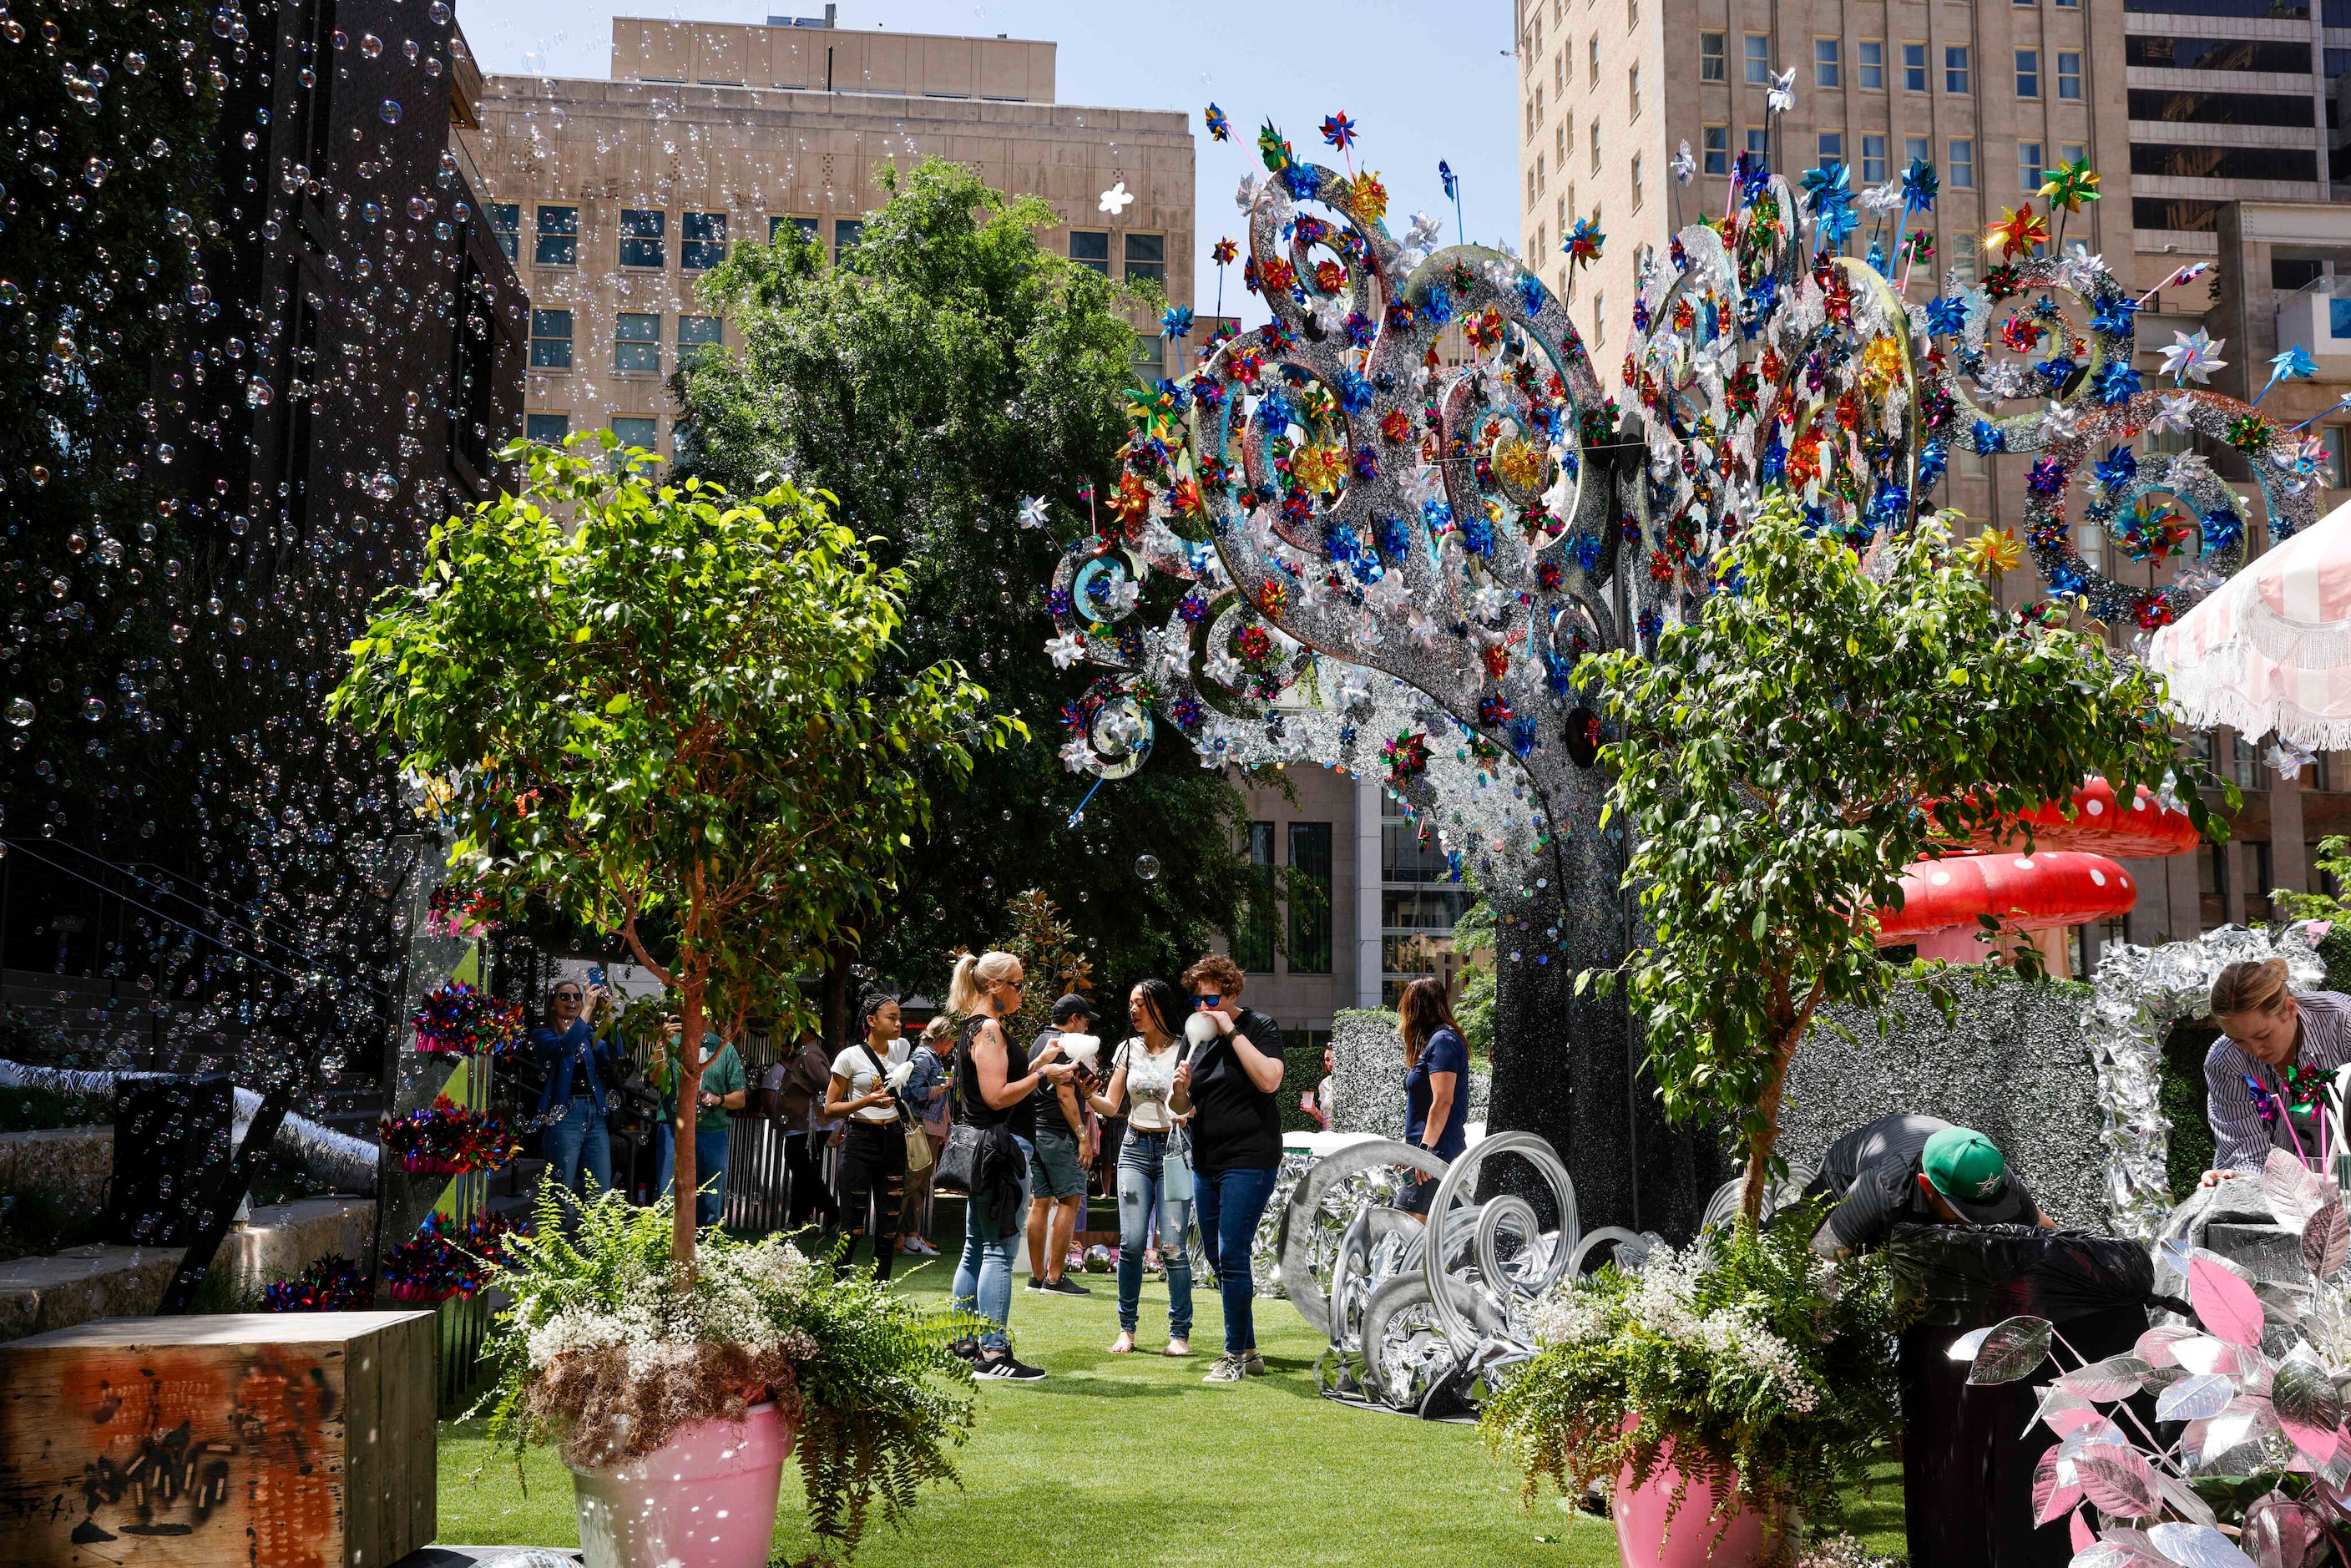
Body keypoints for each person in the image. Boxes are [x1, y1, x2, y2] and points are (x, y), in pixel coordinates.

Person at [946, 948, 1076, 1381]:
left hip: (982, 1147)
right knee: (1000, 1250)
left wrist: (1037, 1064)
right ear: (994, 986)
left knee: (975, 1247)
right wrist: (1044, 1077)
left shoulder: (972, 1028)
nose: (1024, 991)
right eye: (1018, 984)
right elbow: (997, 1096)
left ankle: (966, 1343)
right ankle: (994, 1352)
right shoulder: (989, 1030)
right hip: (1000, 1148)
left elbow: (997, 1083)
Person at [1173, 953, 1286, 1384]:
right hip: (1206, 1158)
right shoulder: (1193, 1037)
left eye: (1211, 999)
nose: (1202, 1008)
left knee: (1233, 1253)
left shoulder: (1258, 1027)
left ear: (1232, 993)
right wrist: (1181, 1091)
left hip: (1250, 1158)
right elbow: (1182, 1109)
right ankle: (1251, 1350)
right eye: (1196, 999)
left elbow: (1270, 1080)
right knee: (1220, 1258)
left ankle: (1233, 1355)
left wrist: (1231, 1030)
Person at [1087, 977, 1194, 1356]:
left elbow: (1189, 1111)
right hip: (1133, 1147)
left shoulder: (1186, 1050)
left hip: (1173, 1150)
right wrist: (1087, 1093)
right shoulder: (1127, 1050)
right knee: (1131, 1244)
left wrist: (1181, 1093)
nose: (1132, 1010)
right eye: (1131, 1004)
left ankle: (1179, 1333)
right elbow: (1113, 1105)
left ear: (1159, 1007)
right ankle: (1126, 1330)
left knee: (1172, 1247)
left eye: (1140, 1004)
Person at [1806, 1112, 2051, 1257]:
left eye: (1982, 1209)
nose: (1972, 1223)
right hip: (1843, 1180)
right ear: (1927, 1185)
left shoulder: (1990, 1175)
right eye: (1961, 1214)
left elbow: (2048, 1234)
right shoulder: (1882, 1185)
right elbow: (1823, 1258)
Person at [2201, 957, 2351, 1185]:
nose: (2255, 1050)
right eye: (2239, 1040)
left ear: (2290, 1008)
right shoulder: (2225, 1060)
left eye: (2263, 1036)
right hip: (2278, 1194)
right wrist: (2238, 1178)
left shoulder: (2343, 1022)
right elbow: (2248, 1154)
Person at [827, 992, 910, 1280]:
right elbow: (830, 1108)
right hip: (860, 1140)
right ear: (872, 1021)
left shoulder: (901, 1049)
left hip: (894, 1139)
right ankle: (836, 1292)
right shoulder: (849, 1057)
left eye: (899, 1017)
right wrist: (866, 1102)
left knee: (888, 1230)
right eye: (892, 1018)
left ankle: (879, 1295)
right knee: (852, 1228)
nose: (899, 1023)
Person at [529, 977, 620, 1213]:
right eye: (565, 997)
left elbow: (615, 1050)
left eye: (578, 997)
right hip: (564, 1116)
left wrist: (608, 1012)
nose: (573, 1001)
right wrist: (588, 1010)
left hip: (596, 1116)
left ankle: (596, 1248)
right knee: (560, 1193)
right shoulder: (543, 1035)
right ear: (552, 1004)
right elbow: (564, 1048)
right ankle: (555, 1247)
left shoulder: (589, 1034)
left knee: (600, 1192)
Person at [1026, 994, 1097, 1297]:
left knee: (1040, 1203)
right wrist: (1083, 1136)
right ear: (1073, 1019)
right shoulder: (1065, 1045)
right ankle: (1055, 1279)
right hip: (1059, 1133)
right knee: (1070, 1200)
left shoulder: (1041, 1041)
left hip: (1036, 1131)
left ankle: (1037, 1276)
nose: (1086, 1027)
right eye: (1085, 1020)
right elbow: (1065, 1096)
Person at [651, 1016, 747, 1228]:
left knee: (711, 1201)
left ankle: (708, 1250)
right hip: (673, 1130)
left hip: (713, 1132)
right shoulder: (669, 1044)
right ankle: (662, 1251)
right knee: (668, 1198)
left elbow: (740, 1098)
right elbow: (655, 1080)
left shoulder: (724, 1048)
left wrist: (717, 1099)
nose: (698, 1018)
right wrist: (662, 1043)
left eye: (704, 1013)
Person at [1398, 977, 1469, 1214]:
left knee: (1406, 1235)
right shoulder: (1437, 1042)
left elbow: (1443, 1102)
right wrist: (1410, 1147)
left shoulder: (1443, 1043)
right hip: (1428, 1157)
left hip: (1434, 1158)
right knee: (1430, 1240)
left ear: (1416, 1008)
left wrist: (1424, 1152)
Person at [771, 1030, 842, 1233]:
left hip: (808, 1124)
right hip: (803, 1123)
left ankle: (829, 1211)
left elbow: (827, 1086)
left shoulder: (808, 1055)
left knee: (803, 1170)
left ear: (803, 1035)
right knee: (803, 1172)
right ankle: (798, 1220)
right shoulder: (804, 1054)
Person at [897, 1017, 956, 1257]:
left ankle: (911, 1237)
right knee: (913, 1183)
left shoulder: (931, 1057)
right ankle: (897, 1236)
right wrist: (940, 1088)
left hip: (932, 1129)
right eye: (951, 1040)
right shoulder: (923, 1057)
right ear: (942, 1038)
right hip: (923, 1128)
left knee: (919, 1184)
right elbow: (912, 1093)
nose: (952, 1046)